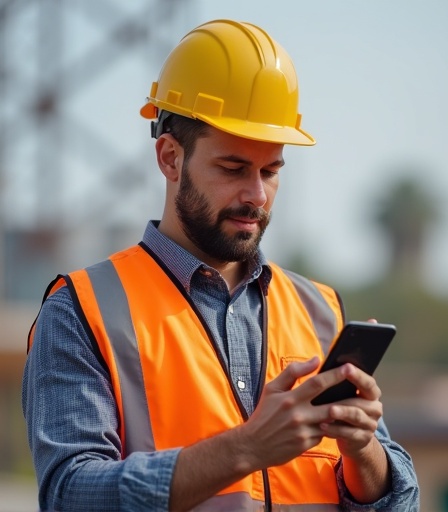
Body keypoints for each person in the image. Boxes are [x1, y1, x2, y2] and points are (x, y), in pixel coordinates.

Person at [22, 19, 419, 512]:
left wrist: (364, 452)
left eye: (270, 171)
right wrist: (248, 448)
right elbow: (70, 496)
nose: (256, 195)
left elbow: (398, 502)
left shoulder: (321, 310)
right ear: (170, 158)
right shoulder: (83, 311)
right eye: (233, 168)